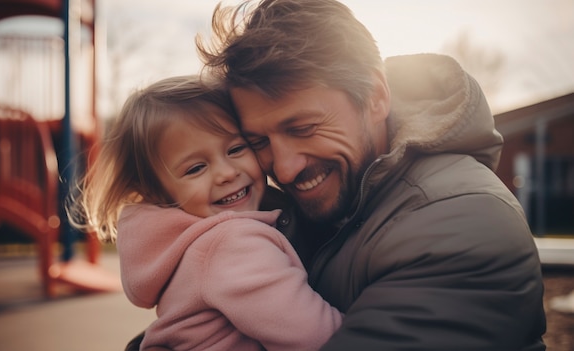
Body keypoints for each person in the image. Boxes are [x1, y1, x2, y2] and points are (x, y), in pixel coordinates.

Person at [191, 0, 547, 350]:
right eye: (258, 141)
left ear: (376, 97)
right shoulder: (305, 203)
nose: (283, 169)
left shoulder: (466, 222)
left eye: (303, 128)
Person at [69, 75, 342, 351]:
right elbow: (316, 337)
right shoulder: (231, 245)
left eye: (236, 149)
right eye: (195, 168)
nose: (226, 173)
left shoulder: (192, 244)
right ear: (158, 193)